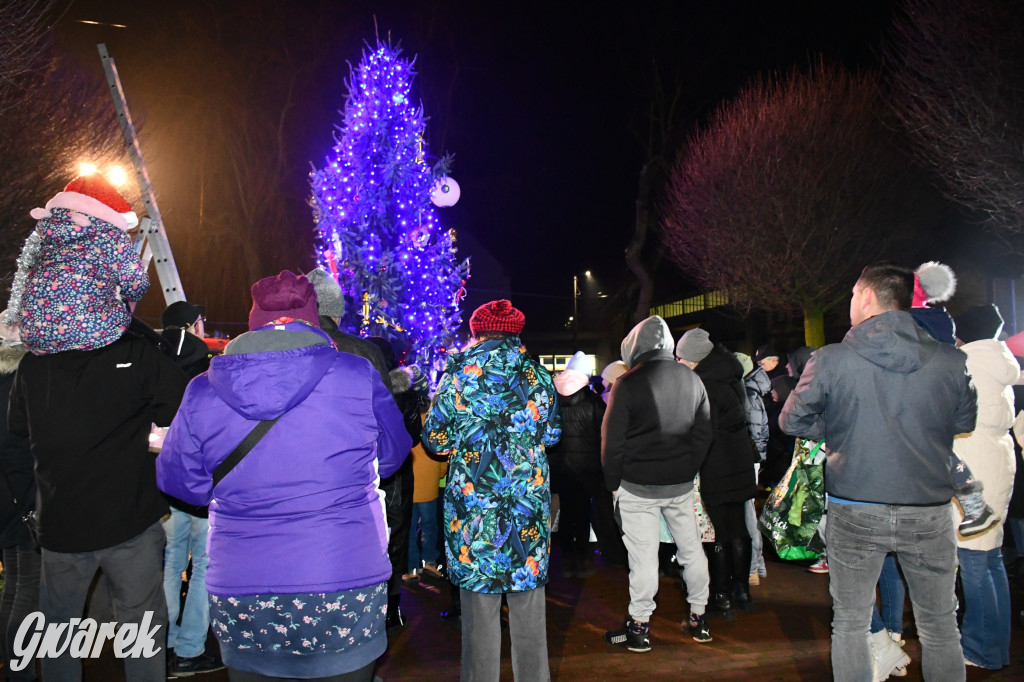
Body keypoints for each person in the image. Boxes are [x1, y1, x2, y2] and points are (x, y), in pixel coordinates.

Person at [157, 270, 411, 681]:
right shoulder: (356, 375)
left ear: (253, 322)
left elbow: (180, 483)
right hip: (342, 576)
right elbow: (394, 454)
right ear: (313, 318)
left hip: (243, 582)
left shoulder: (203, 389)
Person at [781, 263, 977, 682]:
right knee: (940, 627)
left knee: (849, 623)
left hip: (855, 506)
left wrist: (841, 430)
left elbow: (791, 422)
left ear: (867, 296)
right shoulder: (950, 359)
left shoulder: (831, 359)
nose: (851, 304)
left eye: (852, 296)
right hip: (928, 507)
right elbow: (963, 420)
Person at [8, 309, 187, 681]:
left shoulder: (33, 364)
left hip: (60, 521)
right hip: (130, 519)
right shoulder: (136, 353)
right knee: (141, 630)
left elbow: (19, 427)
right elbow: (180, 406)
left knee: (59, 633)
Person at [422, 299, 562, 682]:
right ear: (517, 332)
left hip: (474, 513)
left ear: (477, 331)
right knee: (529, 609)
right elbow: (552, 434)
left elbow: (435, 439)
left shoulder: (458, 374)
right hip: (526, 509)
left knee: (479, 616)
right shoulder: (537, 375)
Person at [602, 316, 714, 651]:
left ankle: (639, 626)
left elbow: (613, 441)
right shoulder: (692, 379)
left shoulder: (629, 383)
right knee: (692, 551)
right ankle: (698, 617)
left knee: (644, 559)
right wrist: (688, 468)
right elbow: (704, 432)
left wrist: (613, 481)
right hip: (679, 484)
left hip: (636, 485)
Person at [3, 174, 148, 355]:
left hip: (34, 334)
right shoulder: (111, 236)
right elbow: (137, 285)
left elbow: (23, 275)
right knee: (138, 334)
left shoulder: (42, 234)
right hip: (92, 330)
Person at [157, 299, 223, 676]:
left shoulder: (150, 364)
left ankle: (164, 644)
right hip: (200, 482)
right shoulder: (206, 371)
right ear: (189, 326)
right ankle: (190, 648)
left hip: (164, 482)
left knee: (170, 562)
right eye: (200, 321)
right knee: (202, 566)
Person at [951, 303, 1018, 669]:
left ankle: (981, 649)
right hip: (997, 460)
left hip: (973, 463)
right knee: (990, 560)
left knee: (975, 561)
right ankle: (995, 644)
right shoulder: (998, 363)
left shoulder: (966, 363)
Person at [677, 329, 758, 620]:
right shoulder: (730, 376)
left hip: (716, 463)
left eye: (681, 357)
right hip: (739, 460)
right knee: (739, 527)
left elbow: (703, 433)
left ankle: (721, 594)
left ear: (695, 358)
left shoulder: (704, 384)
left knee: (719, 531)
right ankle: (743, 591)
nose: (679, 362)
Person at [0, 318, 38, 682]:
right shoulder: (22, 382)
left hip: (6, 497)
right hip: (24, 495)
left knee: (14, 580)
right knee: (29, 586)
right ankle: (20, 671)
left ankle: (10, 663)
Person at [549, 351, 608, 578]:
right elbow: (603, 436)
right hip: (586, 468)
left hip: (561, 467)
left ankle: (566, 558)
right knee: (582, 512)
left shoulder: (553, 399)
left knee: (565, 511)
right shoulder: (594, 402)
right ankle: (581, 558)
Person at [734, 352, 769, 586]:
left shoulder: (747, 393)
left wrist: (751, 459)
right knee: (747, 513)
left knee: (747, 513)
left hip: (746, 460)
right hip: (750, 460)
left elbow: (755, 431)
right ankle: (756, 566)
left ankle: (753, 567)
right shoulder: (750, 391)